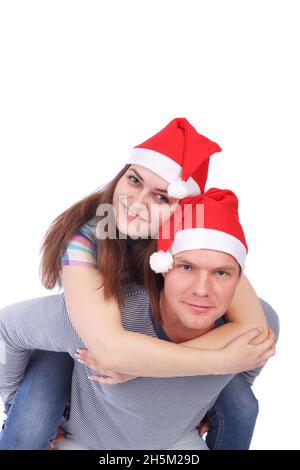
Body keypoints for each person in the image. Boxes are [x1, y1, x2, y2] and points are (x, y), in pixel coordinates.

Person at [0, 119, 269, 449]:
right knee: (31, 421)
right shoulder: (89, 238)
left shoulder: (194, 233)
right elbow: (110, 349)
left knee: (242, 407)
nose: (136, 202)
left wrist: (145, 367)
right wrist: (220, 361)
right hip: (81, 336)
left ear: (183, 209)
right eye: (134, 180)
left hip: (151, 335)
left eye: (160, 196)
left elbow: (255, 327)